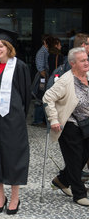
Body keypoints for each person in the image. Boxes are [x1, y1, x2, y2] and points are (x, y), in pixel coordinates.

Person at [0, 29, 31, 215]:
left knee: (13, 158)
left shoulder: (19, 67)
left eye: (1, 46)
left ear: (9, 47)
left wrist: (17, 115)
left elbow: (26, 96)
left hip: (12, 120)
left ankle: (14, 198)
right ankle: (0, 197)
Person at [43, 47, 89, 206]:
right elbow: (47, 97)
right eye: (82, 60)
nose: (86, 62)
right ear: (73, 64)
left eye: (87, 59)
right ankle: (79, 194)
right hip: (69, 125)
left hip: (86, 124)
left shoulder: (88, 76)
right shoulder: (66, 80)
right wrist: (53, 119)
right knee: (75, 159)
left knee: (84, 156)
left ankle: (62, 180)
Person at [32, 35, 50, 127]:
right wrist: (47, 79)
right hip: (42, 79)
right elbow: (40, 68)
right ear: (44, 41)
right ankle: (37, 120)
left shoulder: (46, 51)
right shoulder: (41, 52)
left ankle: (40, 119)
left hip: (45, 78)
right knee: (40, 97)